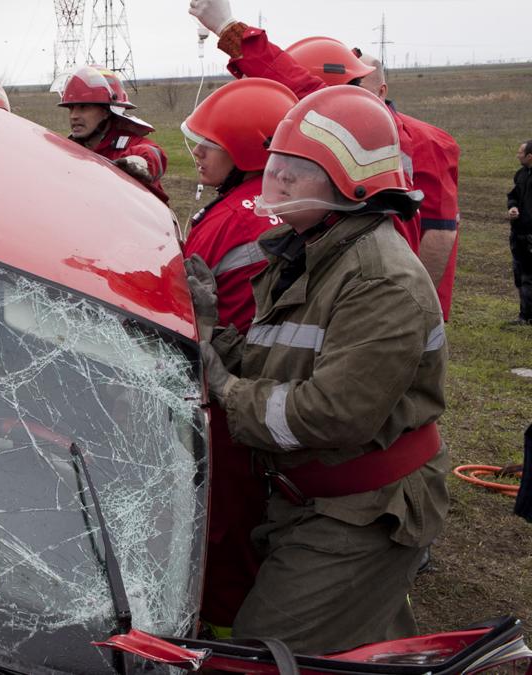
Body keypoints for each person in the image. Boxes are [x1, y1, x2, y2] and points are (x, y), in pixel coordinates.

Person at [191, 85, 448, 653]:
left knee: (266, 648)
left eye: (295, 171)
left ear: (351, 188)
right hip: (311, 496)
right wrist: (209, 332)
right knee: (354, 646)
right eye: (275, 166)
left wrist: (227, 390)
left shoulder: (380, 281)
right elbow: (277, 363)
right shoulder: (306, 251)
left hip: (361, 511)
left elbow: (331, 414)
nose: (273, 181)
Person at [189, 0, 462, 321]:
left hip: (377, 298)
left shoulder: (409, 139)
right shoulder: (358, 142)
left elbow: (441, 233)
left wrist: (416, 310)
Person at [178, 77, 298, 635]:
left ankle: (221, 632)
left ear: (250, 149)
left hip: (223, 390)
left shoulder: (231, 217)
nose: (197, 151)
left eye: (211, 142)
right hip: (264, 386)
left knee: (221, 519)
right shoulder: (272, 205)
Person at [57, 65, 169, 203]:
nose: (74, 116)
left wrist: (140, 162)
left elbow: (154, 153)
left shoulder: (126, 145)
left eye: (83, 107)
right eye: (71, 108)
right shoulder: (69, 150)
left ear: (106, 112)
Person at [508, 140, 532, 324]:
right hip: (518, 234)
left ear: (529, 156)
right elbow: (513, 195)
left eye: (520, 152)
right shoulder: (521, 175)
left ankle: (526, 317)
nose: (518, 155)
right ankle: (524, 315)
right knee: (520, 275)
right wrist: (513, 207)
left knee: (528, 277)